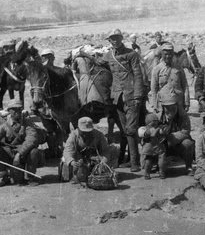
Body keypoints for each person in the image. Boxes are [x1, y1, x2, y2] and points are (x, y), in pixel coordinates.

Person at [78, 29, 145, 172]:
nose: (115, 41)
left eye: (117, 38)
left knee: (131, 129)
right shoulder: (109, 55)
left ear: (121, 38)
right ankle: (128, 160)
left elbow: (138, 75)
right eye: (112, 39)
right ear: (109, 41)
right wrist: (85, 55)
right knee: (124, 129)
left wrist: (138, 95)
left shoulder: (131, 54)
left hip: (131, 95)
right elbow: (98, 61)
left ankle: (135, 162)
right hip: (117, 97)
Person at [0, 99, 43, 188]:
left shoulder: (28, 123)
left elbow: (32, 139)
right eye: (14, 109)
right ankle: (4, 178)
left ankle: (30, 178)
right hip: (10, 154)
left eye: (19, 109)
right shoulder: (5, 126)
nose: (17, 112)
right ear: (9, 111)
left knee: (34, 152)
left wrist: (19, 153)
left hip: (24, 155)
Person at [62, 117, 119, 186]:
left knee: (114, 151)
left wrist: (103, 162)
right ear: (78, 128)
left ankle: (100, 171)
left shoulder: (98, 134)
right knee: (67, 162)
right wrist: (72, 161)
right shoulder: (73, 135)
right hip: (79, 157)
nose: (86, 133)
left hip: (94, 157)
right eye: (83, 131)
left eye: (88, 131)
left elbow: (105, 150)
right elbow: (68, 150)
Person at [157, 91, 195, 176]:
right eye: (167, 108)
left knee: (188, 143)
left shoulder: (183, 116)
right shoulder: (158, 117)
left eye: (173, 107)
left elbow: (186, 131)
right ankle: (159, 166)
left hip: (178, 144)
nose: (170, 111)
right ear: (163, 107)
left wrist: (169, 137)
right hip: (163, 146)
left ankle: (188, 167)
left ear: (177, 106)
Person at [150, 42, 190, 113]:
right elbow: (154, 89)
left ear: (173, 55)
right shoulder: (157, 69)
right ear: (162, 54)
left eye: (170, 54)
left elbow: (185, 86)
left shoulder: (179, 68)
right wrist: (155, 105)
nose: (168, 56)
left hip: (178, 103)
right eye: (166, 54)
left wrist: (186, 103)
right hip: (163, 104)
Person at [138, 113, 168, 179]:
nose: (154, 125)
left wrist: (147, 133)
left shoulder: (145, 128)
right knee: (161, 158)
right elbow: (164, 131)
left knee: (149, 160)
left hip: (148, 147)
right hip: (159, 146)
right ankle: (161, 172)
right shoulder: (159, 128)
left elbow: (140, 133)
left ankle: (147, 173)